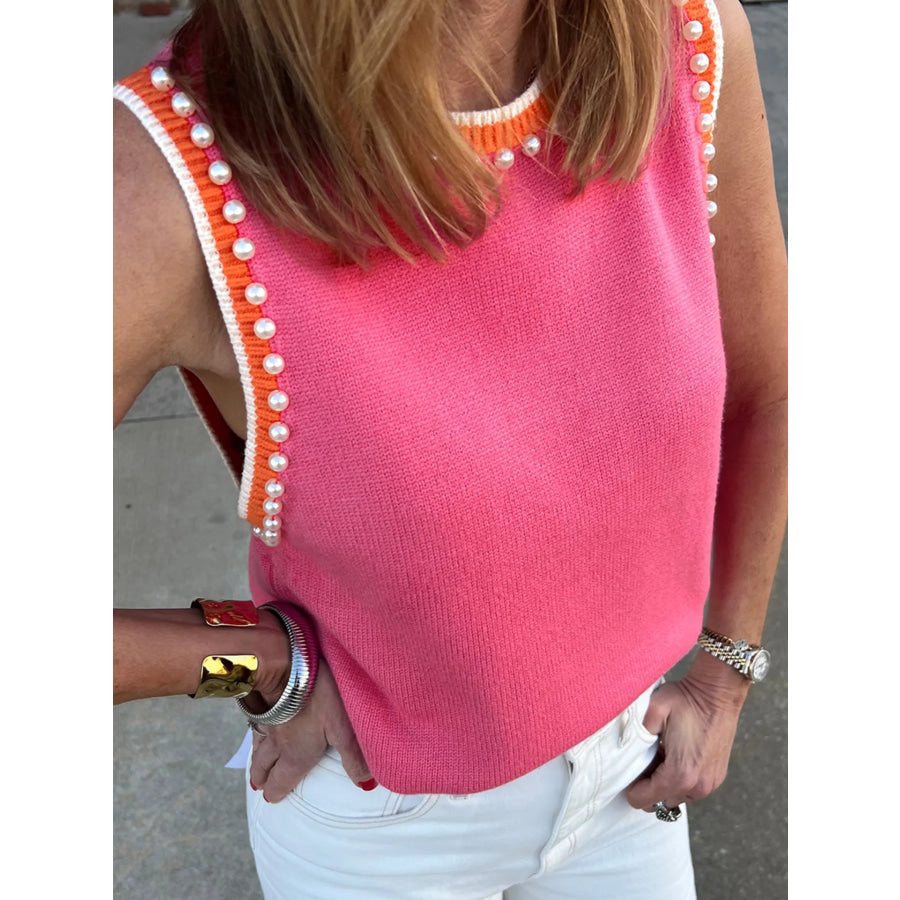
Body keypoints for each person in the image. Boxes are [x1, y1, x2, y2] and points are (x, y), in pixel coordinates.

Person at [113, 0, 787, 896]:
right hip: (378, 823)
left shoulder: (688, 39)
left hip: (633, 770)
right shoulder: (158, 181)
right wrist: (254, 660)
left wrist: (727, 673)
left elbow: (766, 392)